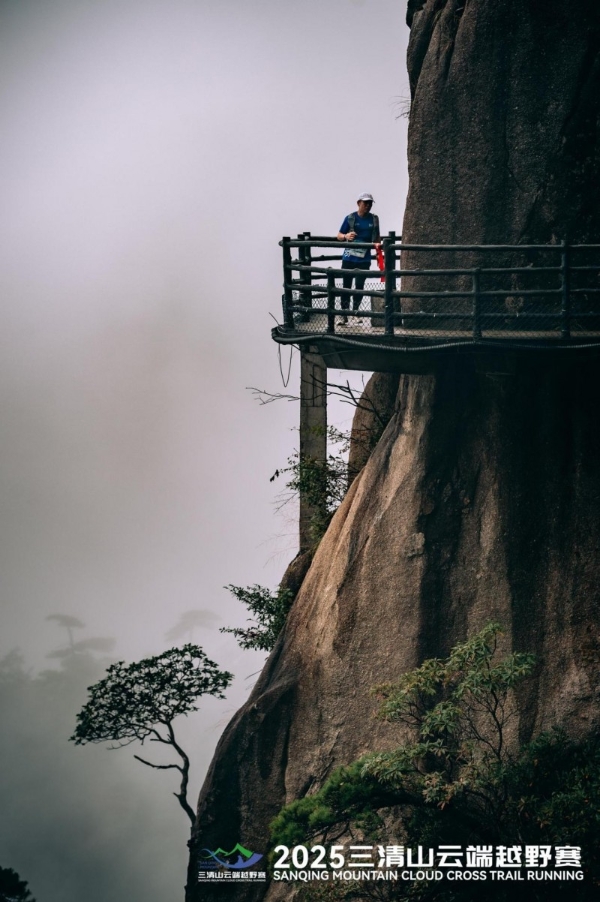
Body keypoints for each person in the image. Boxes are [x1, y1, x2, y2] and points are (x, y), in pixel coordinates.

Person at [336, 193, 381, 325]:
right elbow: (338, 235)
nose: (368, 205)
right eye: (365, 203)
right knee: (346, 286)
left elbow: (377, 237)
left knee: (359, 286)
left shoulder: (374, 219)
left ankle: (355, 313)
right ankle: (344, 314)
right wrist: (346, 236)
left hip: (364, 259)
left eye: (370, 203)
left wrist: (378, 247)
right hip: (349, 257)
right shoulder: (350, 218)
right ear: (358, 203)